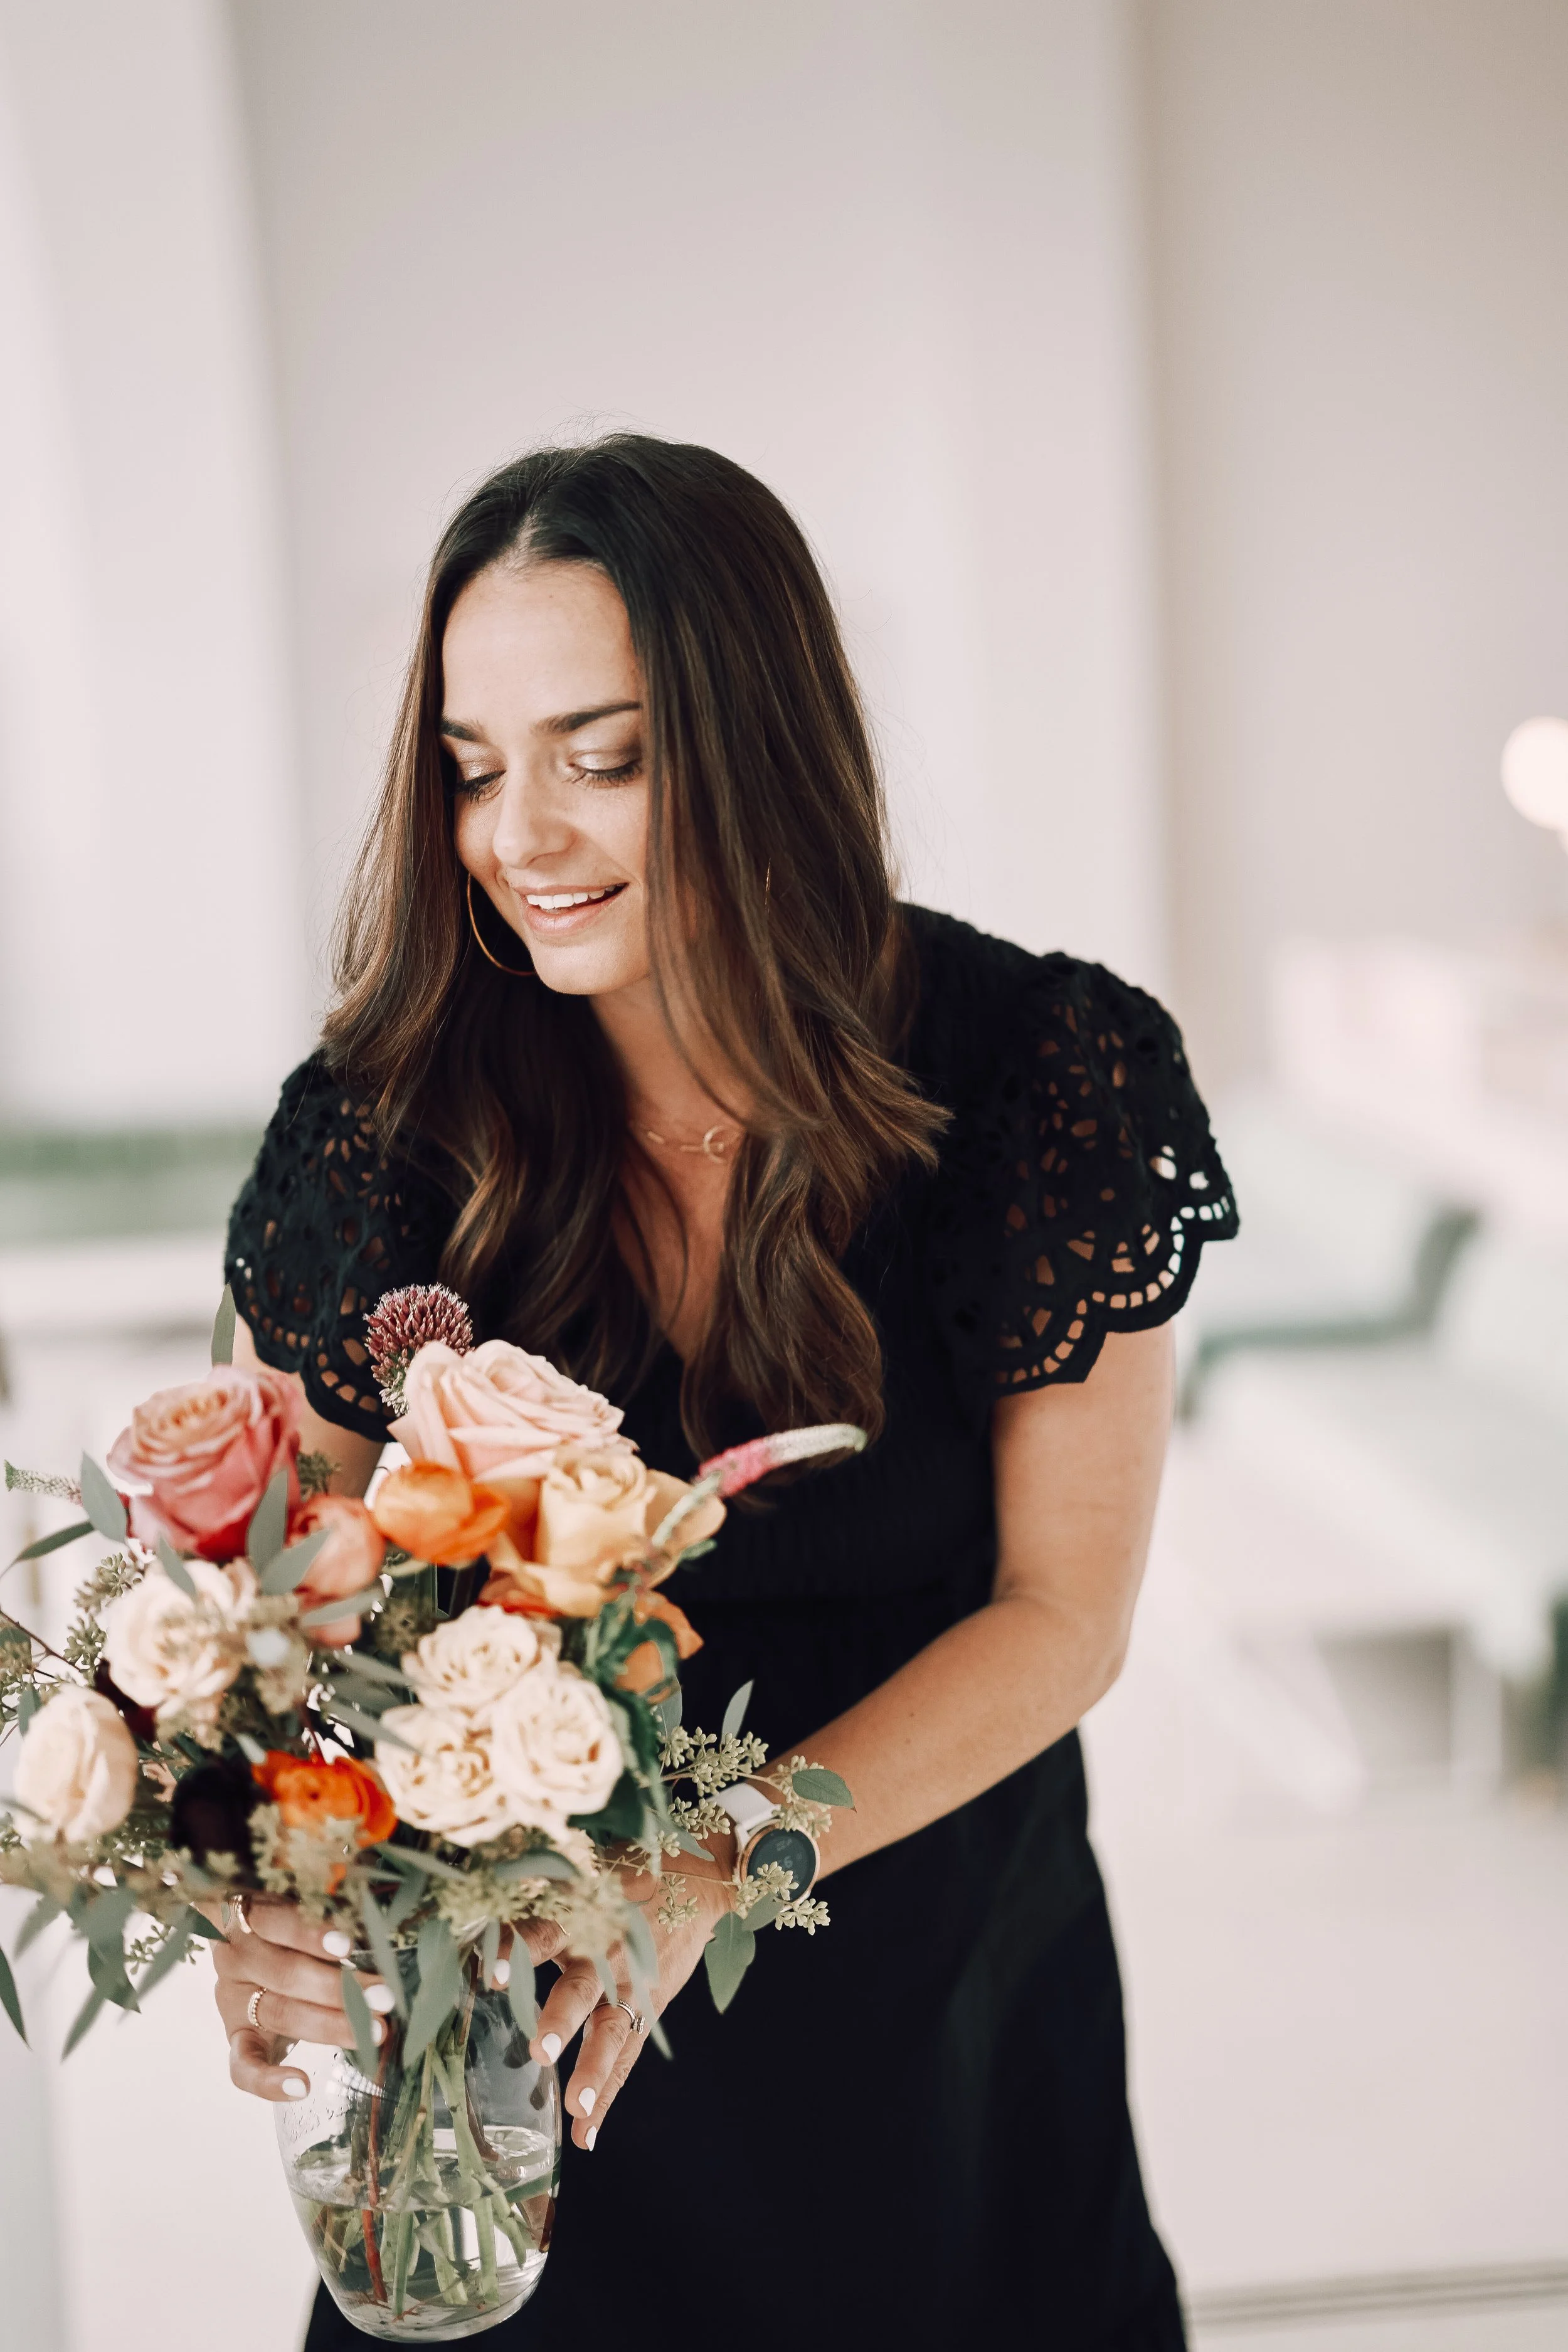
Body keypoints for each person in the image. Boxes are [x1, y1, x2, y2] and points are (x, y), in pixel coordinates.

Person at [217, 435, 1236, 2349]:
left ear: (757, 741)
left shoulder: (1037, 1069)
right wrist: (266, 1885)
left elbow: (1063, 1613)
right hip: (523, 2079)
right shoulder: (380, 1130)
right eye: (470, 764)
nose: (519, 832)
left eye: (599, 755)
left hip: (929, 2017)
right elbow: (275, 1621)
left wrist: (713, 1854)